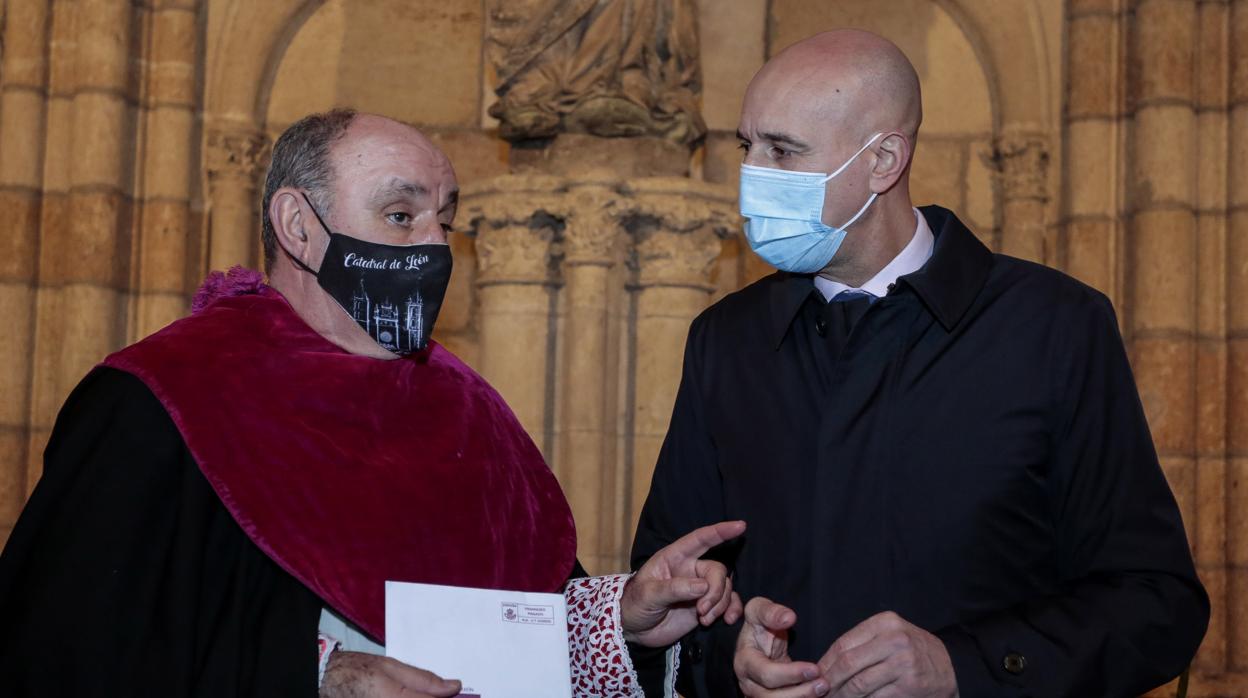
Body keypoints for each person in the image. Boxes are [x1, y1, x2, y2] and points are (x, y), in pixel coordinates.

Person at [0, 109, 744, 697]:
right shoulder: (162, 400)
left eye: (444, 220)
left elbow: (513, 630)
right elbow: (61, 653)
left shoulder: (466, 411)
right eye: (400, 216)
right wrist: (311, 677)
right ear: (298, 227)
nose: (433, 246)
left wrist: (622, 621)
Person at [630, 29, 1209, 698]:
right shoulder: (726, 340)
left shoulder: (1052, 327)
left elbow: (1154, 603)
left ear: (883, 162)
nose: (752, 177)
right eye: (747, 146)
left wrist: (963, 667)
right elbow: (671, 578)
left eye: (783, 152)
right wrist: (728, 651)